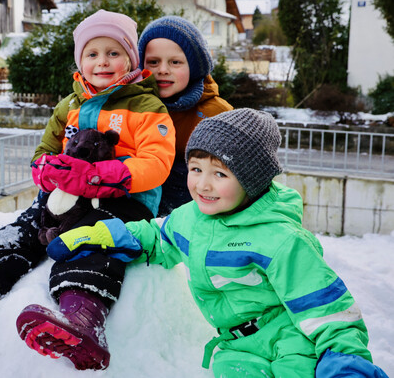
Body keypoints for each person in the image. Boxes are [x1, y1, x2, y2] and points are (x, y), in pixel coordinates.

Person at [0, 10, 176, 371]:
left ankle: (83, 321)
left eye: (113, 53)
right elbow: (43, 152)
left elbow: (156, 163)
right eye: (92, 54)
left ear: (130, 59)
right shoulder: (70, 106)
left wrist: (96, 176)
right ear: (80, 60)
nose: (102, 62)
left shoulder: (146, 107)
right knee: (18, 233)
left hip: (123, 202)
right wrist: (46, 171)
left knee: (92, 241)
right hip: (64, 197)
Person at [46, 108, 389, 377]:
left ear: (252, 181)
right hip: (236, 347)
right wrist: (102, 235)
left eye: (220, 173)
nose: (203, 185)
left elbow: (326, 307)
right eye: (196, 169)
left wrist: (345, 361)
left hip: (292, 342)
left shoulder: (282, 240)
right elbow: (158, 237)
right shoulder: (191, 218)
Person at [138, 16, 233, 216]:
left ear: (195, 67)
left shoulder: (216, 114)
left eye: (175, 62)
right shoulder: (134, 107)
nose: (163, 70)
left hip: (198, 212)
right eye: (153, 62)